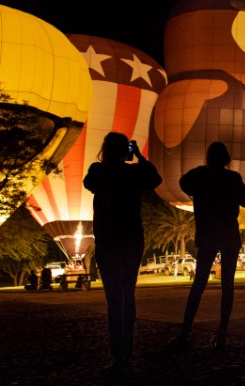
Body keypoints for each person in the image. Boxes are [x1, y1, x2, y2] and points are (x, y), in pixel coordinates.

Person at [83, 132, 162, 379]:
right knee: (128, 294)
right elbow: (155, 178)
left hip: (108, 241)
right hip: (130, 239)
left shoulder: (98, 170)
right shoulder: (132, 173)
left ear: (105, 149)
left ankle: (119, 357)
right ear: (124, 150)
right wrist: (138, 155)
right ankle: (126, 355)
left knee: (114, 300)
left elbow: (89, 184)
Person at [170, 142, 245, 351]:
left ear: (208, 157)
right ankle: (222, 332)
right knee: (227, 285)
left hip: (207, 236)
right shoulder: (232, 178)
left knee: (199, 284)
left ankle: (185, 332)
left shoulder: (199, 175)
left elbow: (183, 183)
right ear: (226, 158)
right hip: (229, 236)